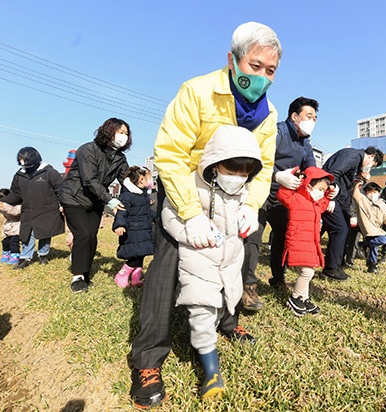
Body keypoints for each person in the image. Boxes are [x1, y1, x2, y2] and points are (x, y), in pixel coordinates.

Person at [129, 22, 282, 409]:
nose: (261, 76)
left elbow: (264, 164)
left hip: (236, 196)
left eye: (270, 71)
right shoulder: (197, 91)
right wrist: (191, 214)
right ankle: (148, 359)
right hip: (188, 192)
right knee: (167, 265)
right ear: (232, 60)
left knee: (235, 260)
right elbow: (171, 153)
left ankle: (227, 323)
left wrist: (250, 206)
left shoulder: (268, 113)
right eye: (255, 65)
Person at [162, 125, 263, 398]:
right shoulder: (192, 187)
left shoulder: (243, 192)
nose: (238, 178)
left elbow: (248, 214)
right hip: (198, 262)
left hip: (229, 265)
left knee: (219, 310)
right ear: (215, 164)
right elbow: (170, 216)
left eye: (244, 173)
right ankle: (211, 372)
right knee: (202, 314)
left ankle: (205, 345)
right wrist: (191, 233)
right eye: (232, 171)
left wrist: (249, 219)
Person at [242, 96, 320, 312]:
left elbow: (311, 170)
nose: (312, 121)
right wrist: (276, 176)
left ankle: (278, 277)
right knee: (253, 238)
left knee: (284, 238)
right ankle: (247, 285)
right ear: (295, 116)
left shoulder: (305, 143)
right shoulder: (276, 132)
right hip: (261, 191)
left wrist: (326, 184)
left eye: (315, 118)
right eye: (309, 116)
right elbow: (255, 160)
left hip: (284, 198)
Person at [59, 118, 130, 293]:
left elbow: (127, 180)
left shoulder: (120, 158)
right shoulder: (88, 149)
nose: (124, 137)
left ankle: (85, 272)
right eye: (121, 132)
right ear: (109, 131)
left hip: (95, 200)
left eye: (126, 134)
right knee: (83, 234)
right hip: (74, 197)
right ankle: (77, 276)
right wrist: (111, 200)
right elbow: (89, 180)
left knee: (91, 236)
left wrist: (144, 191)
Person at [277, 166, 334, 316]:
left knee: (309, 270)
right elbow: (283, 194)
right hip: (297, 241)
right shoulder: (296, 198)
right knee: (307, 272)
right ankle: (295, 297)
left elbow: (324, 203)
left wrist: (329, 194)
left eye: (324, 190)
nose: (321, 192)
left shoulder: (316, 203)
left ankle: (304, 298)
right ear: (309, 184)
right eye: (320, 188)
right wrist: (292, 176)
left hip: (310, 243)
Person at [321, 146, 383, 280]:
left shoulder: (356, 162)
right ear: (372, 156)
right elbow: (333, 174)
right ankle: (331, 268)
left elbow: (346, 185)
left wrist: (360, 178)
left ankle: (338, 264)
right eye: (372, 165)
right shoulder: (353, 155)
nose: (369, 168)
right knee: (339, 229)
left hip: (340, 199)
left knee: (345, 229)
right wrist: (330, 197)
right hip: (331, 197)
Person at [1, 147, 65, 269]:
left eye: (23, 158)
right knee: (27, 233)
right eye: (19, 159)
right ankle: (26, 257)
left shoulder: (49, 172)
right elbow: (16, 193)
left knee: (44, 233)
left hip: (47, 209)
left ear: (32, 158)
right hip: (29, 210)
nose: (21, 161)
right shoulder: (20, 174)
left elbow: (60, 190)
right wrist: (4, 201)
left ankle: (43, 255)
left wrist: (62, 205)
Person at [112, 166, 156, 288]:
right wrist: (120, 224)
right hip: (133, 230)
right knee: (135, 257)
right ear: (141, 179)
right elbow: (122, 211)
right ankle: (121, 275)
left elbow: (147, 212)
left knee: (140, 255)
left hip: (143, 230)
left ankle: (136, 278)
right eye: (149, 178)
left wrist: (158, 218)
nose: (151, 181)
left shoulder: (143, 195)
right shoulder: (127, 196)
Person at [351, 181, 386, 273]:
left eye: (375, 192)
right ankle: (363, 245)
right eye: (370, 192)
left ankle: (372, 266)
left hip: (377, 228)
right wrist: (357, 184)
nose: (372, 194)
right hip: (367, 227)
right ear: (366, 192)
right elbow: (355, 194)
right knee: (383, 239)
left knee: (374, 247)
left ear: (379, 193)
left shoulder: (381, 203)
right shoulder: (363, 200)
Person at [0, 188, 21, 265]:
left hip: (17, 226)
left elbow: (16, 212)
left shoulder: (19, 204)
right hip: (8, 227)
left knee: (14, 242)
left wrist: (4, 206)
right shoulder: (3, 207)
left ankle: (15, 255)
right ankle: (6, 254)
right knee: (5, 241)